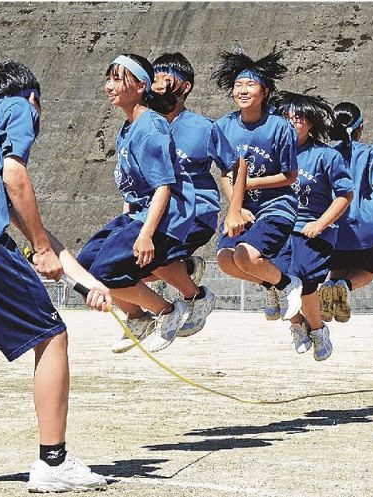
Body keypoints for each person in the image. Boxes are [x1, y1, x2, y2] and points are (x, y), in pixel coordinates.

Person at [0, 60, 109, 492]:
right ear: (33, 98)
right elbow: (16, 174)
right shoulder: (18, 106)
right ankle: (54, 462)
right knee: (51, 335)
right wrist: (39, 248)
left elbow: (41, 234)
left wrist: (85, 284)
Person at [108, 52, 235, 354]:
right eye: (155, 77)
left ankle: (195, 296)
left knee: (155, 255)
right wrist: (129, 219)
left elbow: (232, 166)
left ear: (186, 87)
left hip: (194, 212)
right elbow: (133, 184)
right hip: (153, 213)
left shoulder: (203, 127)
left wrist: (236, 207)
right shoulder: (136, 125)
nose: (159, 84)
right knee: (120, 268)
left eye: (167, 77)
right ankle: (144, 312)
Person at [77, 53, 197, 353]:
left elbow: (164, 187)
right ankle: (137, 317)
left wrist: (144, 235)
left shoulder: (151, 127)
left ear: (141, 85)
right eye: (108, 78)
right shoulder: (127, 128)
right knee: (83, 270)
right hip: (137, 215)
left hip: (164, 217)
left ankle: (167, 312)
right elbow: (131, 189)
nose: (109, 86)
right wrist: (124, 224)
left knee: (106, 273)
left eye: (118, 79)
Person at [211, 49, 303, 322]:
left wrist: (247, 184)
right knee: (226, 260)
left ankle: (288, 284)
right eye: (238, 85)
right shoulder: (223, 127)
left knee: (246, 254)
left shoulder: (279, 127)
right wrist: (235, 208)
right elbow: (225, 174)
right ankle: (269, 285)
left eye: (250, 84)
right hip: (242, 207)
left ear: (265, 91)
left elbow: (290, 176)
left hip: (277, 204)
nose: (243, 90)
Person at [272, 92, 353, 360]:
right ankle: (297, 325)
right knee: (279, 279)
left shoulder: (325, 156)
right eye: (286, 118)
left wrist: (321, 223)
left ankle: (318, 329)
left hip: (313, 230)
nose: (292, 123)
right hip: (280, 225)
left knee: (304, 281)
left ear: (310, 123)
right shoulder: (273, 153)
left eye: (299, 119)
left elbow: (344, 195)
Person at [319, 101, 373, 324]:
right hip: (363, 225)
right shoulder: (372, 154)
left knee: (337, 267)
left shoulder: (327, 154)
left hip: (333, 223)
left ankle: (331, 287)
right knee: (368, 270)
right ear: (360, 128)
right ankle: (345, 287)